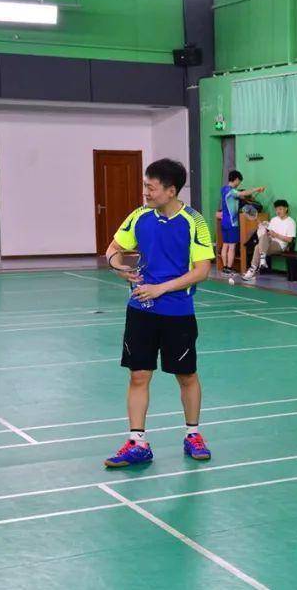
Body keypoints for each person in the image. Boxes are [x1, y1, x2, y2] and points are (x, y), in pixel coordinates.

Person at [103, 158, 216, 467]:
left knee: (186, 375)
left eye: (151, 188)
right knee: (139, 375)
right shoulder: (139, 216)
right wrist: (119, 268)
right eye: (145, 186)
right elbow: (112, 249)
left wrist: (161, 288)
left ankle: (193, 434)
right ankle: (137, 442)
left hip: (177, 311)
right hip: (140, 309)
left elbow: (202, 270)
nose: (146, 193)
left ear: (171, 190)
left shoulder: (195, 221)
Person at [217, 170, 265, 276]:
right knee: (232, 246)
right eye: (239, 181)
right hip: (232, 222)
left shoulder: (224, 189)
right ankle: (229, 268)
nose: (239, 184)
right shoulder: (231, 191)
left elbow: (238, 197)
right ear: (237, 179)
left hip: (224, 221)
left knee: (225, 245)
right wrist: (256, 189)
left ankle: (225, 267)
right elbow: (242, 193)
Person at [241, 199, 297, 281]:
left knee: (257, 247)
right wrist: (263, 227)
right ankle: (261, 262)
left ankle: (253, 270)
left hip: (280, 245)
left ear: (286, 209)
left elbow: (290, 240)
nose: (278, 211)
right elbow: (267, 234)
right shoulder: (274, 220)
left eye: (280, 209)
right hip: (268, 242)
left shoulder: (291, 222)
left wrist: (276, 235)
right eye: (276, 209)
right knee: (262, 237)